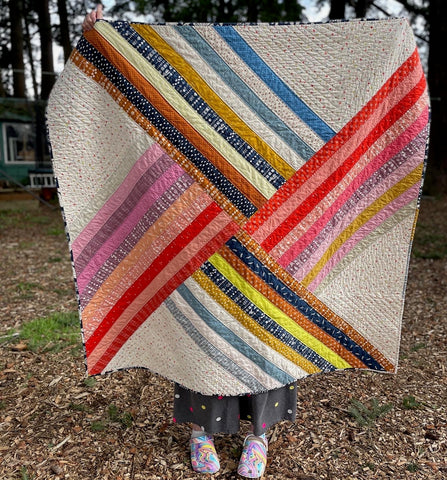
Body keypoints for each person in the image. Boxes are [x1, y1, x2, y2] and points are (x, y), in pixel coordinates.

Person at [82, 5, 298, 478]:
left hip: (266, 221)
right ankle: (201, 430)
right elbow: (141, 93)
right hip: (196, 224)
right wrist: (104, 42)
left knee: (263, 332)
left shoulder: (270, 68)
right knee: (200, 330)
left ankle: (259, 435)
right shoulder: (186, 78)